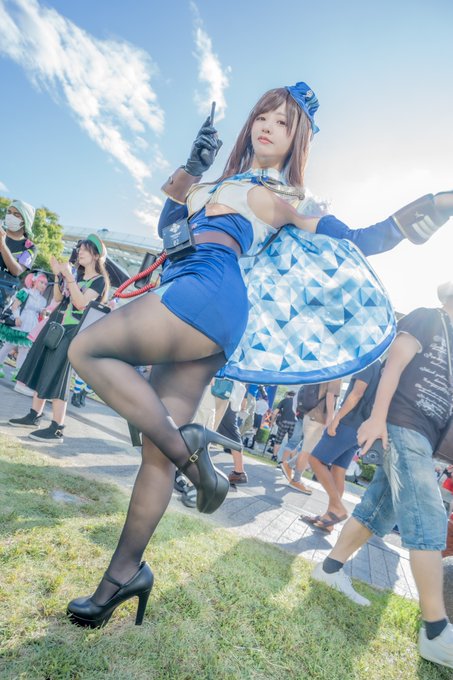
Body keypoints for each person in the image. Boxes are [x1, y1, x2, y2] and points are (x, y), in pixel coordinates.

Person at [64, 80, 453, 629]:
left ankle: (192, 455)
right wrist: (193, 166)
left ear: (297, 140)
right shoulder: (220, 182)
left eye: (283, 122)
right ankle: (122, 575)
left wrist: (430, 209)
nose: (268, 127)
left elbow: (359, 237)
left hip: (205, 292)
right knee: (155, 453)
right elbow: (170, 222)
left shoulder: (281, 198)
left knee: (87, 348)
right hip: (196, 298)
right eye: (263, 116)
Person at [312, 282, 453, 671]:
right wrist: (377, 417)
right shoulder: (428, 318)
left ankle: (329, 569)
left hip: (423, 437)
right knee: (428, 515)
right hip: (403, 425)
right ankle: (436, 630)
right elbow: (394, 364)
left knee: (378, 510)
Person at [7, 235, 109, 442]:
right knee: (43, 367)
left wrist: (68, 276)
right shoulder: (78, 277)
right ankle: (34, 415)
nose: (80, 252)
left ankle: (57, 427)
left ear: (96, 255)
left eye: (85, 249)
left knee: (57, 375)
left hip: (72, 332)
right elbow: (58, 298)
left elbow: (81, 303)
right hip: (56, 326)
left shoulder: (99, 281)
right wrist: (57, 276)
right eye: (79, 249)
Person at [302, 361, 381, 531]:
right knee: (338, 470)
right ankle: (329, 519)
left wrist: (336, 418)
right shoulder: (380, 367)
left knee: (315, 460)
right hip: (360, 429)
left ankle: (337, 508)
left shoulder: (369, 363)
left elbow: (357, 393)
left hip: (348, 423)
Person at [283, 380, 342, 494]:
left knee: (309, 450)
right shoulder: (337, 376)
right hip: (318, 418)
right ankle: (296, 480)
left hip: (311, 415)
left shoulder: (326, 372)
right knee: (308, 452)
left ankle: (289, 465)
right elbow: (330, 396)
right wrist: (330, 419)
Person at [0, 272, 48, 380]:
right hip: (20, 321)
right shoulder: (25, 292)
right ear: (34, 281)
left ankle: (18, 373)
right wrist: (17, 317)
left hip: (32, 325)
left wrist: (43, 313)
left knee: (24, 349)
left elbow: (40, 315)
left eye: (45, 284)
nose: (43, 285)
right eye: (41, 282)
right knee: (8, 345)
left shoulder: (43, 300)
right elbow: (15, 306)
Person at [0, 199, 37, 311]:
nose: (11, 216)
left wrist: (2, 245)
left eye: (16, 214)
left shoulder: (29, 247)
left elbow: (17, 271)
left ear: (25, 220)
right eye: (9, 212)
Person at [270, 390, 296, 460]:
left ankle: (274, 456)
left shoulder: (284, 400)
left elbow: (275, 412)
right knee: (292, 443)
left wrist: (272, 422)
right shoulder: (297, 402)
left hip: (283, 422)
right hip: (294, 423)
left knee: (278, 440)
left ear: (288, 395)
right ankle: (290, 460)